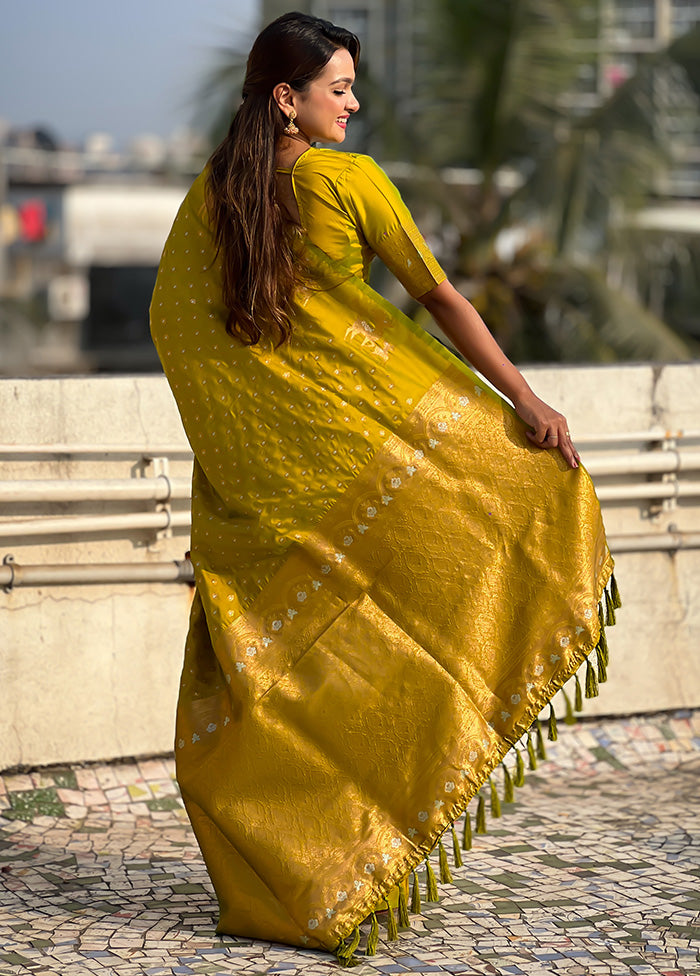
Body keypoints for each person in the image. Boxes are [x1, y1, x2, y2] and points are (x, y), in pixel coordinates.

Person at [150, 10, 619, 966]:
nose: (356, 104)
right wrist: (525, 400)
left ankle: (305, 882)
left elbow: (179, 328)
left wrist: (251, 451)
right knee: (423, 614)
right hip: (360, 461)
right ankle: (356, 863)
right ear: (290, 98)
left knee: (301, 679)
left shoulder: (211, 198)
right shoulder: (346, 179)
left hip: (271, 487)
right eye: (340, 88)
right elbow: (440, 298)